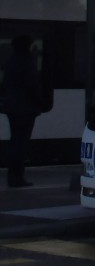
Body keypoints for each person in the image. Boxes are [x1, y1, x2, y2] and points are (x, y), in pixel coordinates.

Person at [2, 35, 42, 188]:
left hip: (12, 107)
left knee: (14, 141)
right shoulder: (27, 62)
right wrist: (40, 102)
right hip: (25, 108)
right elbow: (32, 86)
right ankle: (18, 177)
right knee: (21, 143)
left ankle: (12, 176)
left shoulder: (10, 62)